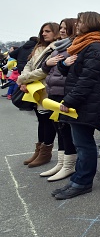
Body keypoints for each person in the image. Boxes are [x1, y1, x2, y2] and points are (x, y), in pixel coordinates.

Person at [52, 12, 100, 199]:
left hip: (87, 103)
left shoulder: (97, 46)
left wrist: (69, 100)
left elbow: (88, 79)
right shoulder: (83, 43)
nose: (77, 25)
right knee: (80, 143)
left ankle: (82, 183)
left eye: (81, 21)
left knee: (84, 145)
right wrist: (64, 63)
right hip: (82, 102)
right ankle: (77, 179)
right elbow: (71, 71)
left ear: (91, 24)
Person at [39, 18, 78, 181]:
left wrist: (62, 64)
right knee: (59, 129)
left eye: (65, 28)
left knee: (66, 130)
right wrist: (48, 63)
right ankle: (61, 162)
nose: (62, 30)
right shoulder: (58, 47)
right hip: (53, 92)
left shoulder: (74, 47)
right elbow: (44, 68)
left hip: (64, 93)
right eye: (60, 27)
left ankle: (69, 165)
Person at [17, 22, 60, 167]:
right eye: (42, 31)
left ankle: (45, 152)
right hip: (35, 89)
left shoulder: (57, 47)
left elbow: (45, 70)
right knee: (41, 121)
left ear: (56, 32)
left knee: (47, 122)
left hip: (47, 89)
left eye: (47, 31)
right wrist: (25, 80)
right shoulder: (39, 47)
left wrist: (24, 79)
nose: (43, 34)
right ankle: (39, 150)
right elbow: (28, 65)